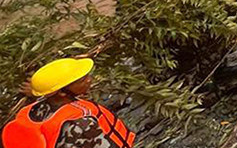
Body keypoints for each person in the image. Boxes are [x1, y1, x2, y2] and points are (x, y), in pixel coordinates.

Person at [2, 58, 136, 148]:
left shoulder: (30, 109)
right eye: (82, 80)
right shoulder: (81, 125)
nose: (90, 80)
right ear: (61, 92)